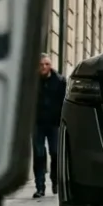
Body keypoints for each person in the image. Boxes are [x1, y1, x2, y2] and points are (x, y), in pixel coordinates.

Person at [33, 53, 66, 198]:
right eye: (41, 65)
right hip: (37, 123)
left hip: (54, 123)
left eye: (47, 64)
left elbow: (64, 102)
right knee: (39, 154)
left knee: (55, 153)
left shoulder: (59, 81)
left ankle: (55, 181)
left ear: (51, 65)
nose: (44, 67)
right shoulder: (32, 82)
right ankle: (40, 187)